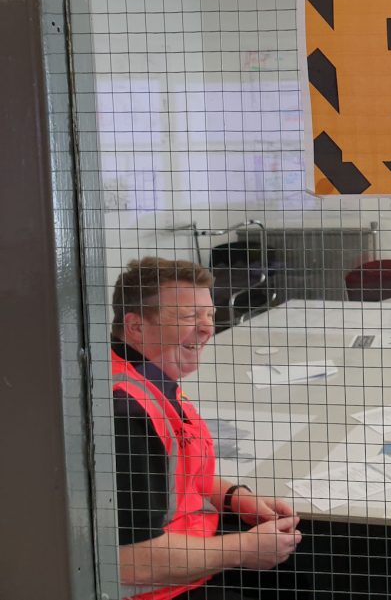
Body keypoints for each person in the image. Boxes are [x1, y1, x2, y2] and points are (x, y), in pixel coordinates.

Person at [111, 256, 302, 600]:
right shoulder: (126, 410)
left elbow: (178, 473)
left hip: (192, 555)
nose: (206, 328)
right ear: (136, 326)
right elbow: (128, 561)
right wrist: (244, 549)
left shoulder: (149, 377)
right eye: (189, 316)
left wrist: (234, 497)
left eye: (209, 315)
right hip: (166, 589)